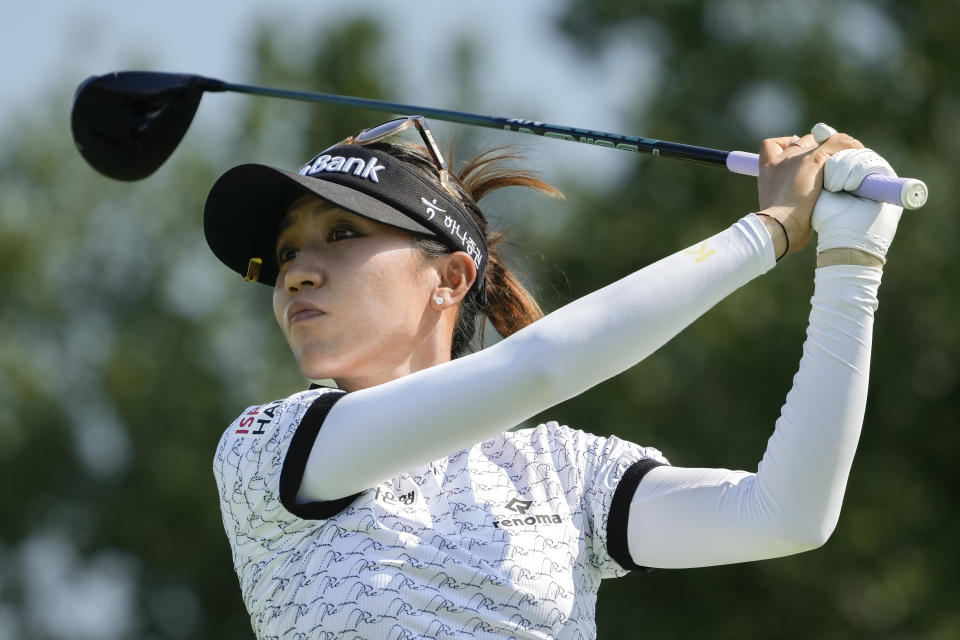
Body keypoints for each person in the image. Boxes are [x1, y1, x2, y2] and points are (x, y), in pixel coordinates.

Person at [205, 115, 903, 639]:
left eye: (343, 234)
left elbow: (786, 516)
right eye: (288, 249)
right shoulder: (265, 448)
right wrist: (770, 228)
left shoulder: (563, 471)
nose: (296, 271)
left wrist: (851, 265)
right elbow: (541, 366)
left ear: (450, 278)